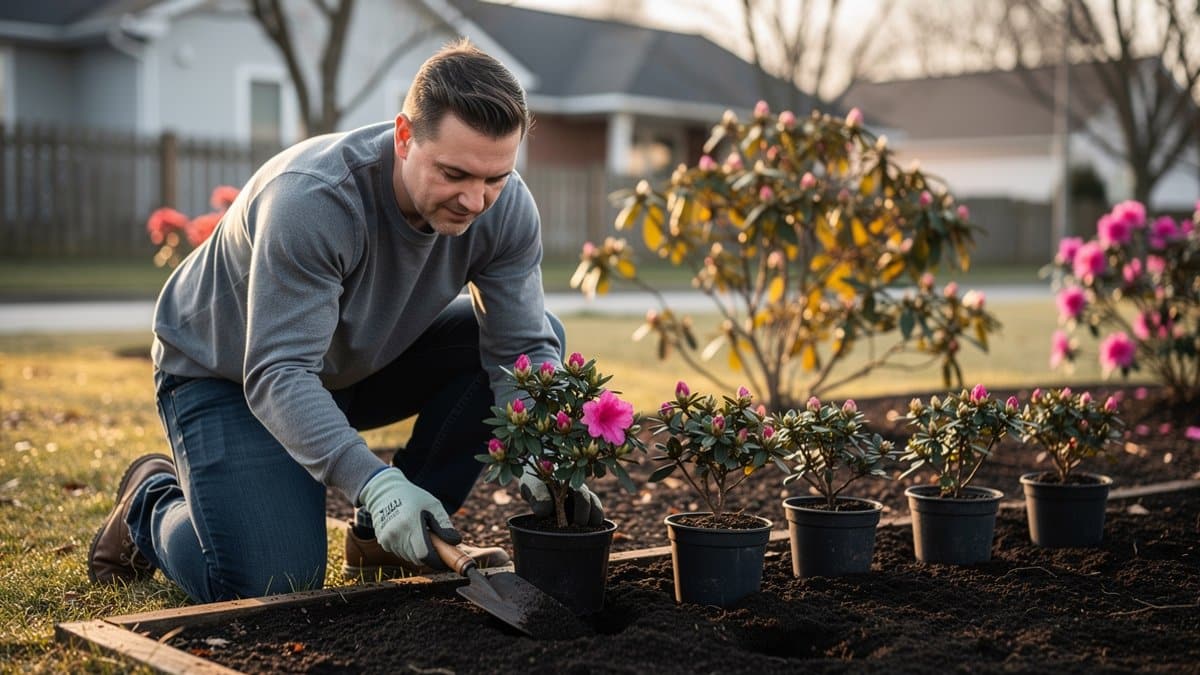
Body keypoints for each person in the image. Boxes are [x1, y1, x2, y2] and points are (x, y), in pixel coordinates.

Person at [87, 38, 601, 602]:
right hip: (227, 374)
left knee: (535, 340)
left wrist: (544, 445)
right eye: (455, 173)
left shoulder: (506, 207)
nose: (476, 201)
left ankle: (382, 538)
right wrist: (374, 483)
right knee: (270, 584)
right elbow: (278, 372)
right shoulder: (314, 201)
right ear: (404, 137)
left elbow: (521, 344)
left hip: (351, 366)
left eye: (495, 178)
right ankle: (151, 497)